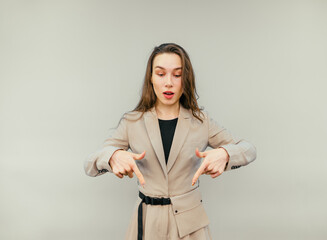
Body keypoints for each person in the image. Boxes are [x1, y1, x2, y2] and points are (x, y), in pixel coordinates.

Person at [84, 43, 257, 240]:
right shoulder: (132, 122)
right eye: (160, 74)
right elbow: (90, 164)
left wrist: (226, 154)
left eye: (177, 74)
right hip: (147, 223)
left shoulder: (201, 121)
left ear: (186, 79)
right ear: (151, 78)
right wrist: (112, 156)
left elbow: (249, 149)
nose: (169, 83)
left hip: (191, 227)